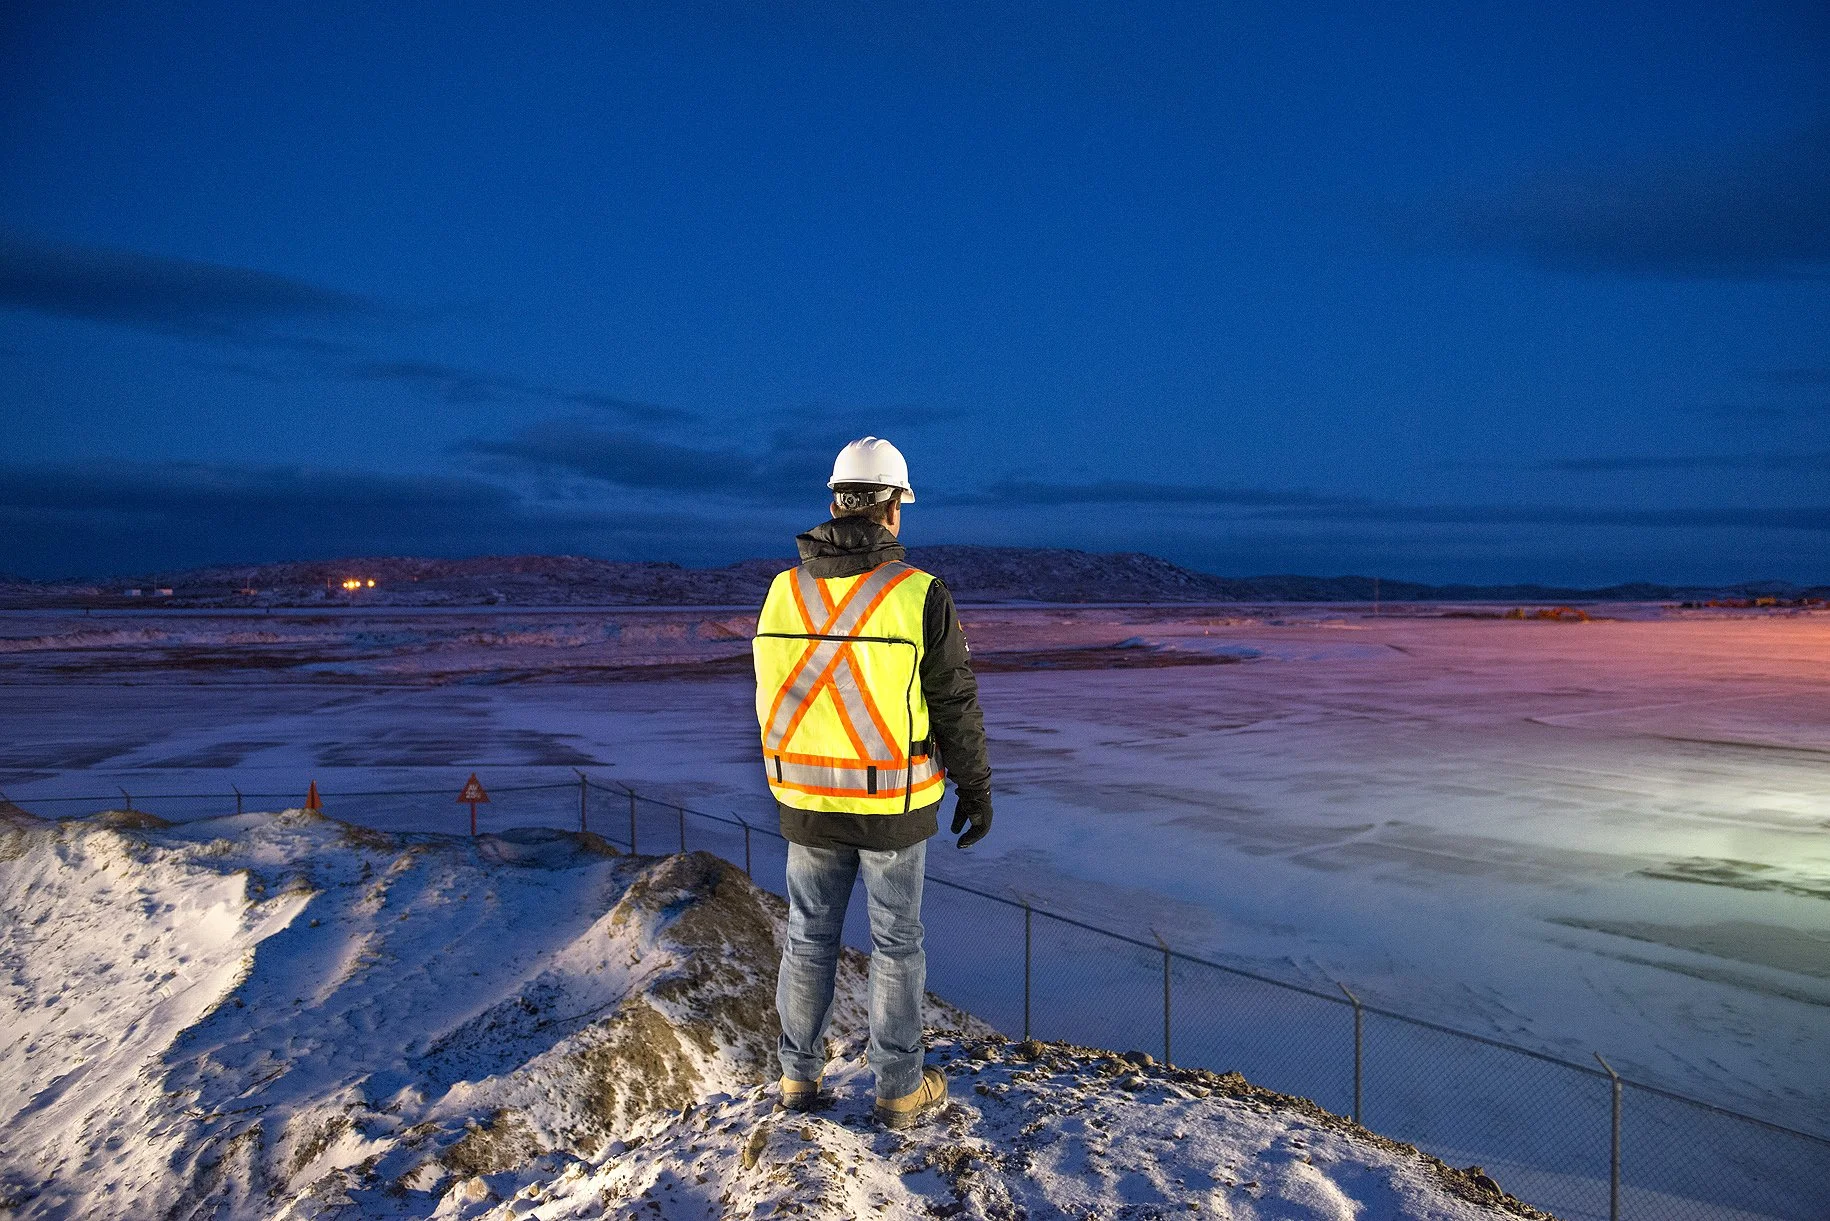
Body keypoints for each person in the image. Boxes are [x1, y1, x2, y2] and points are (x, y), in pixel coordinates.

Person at [752, 436, 994, 1129]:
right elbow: (953, 701)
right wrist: (975, 787)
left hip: (806, 798)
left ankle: (797, 1078)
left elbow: (774, 693)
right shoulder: (918, 594)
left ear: (835, 502)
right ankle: (898, 1089)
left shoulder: (782, 590)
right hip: (892, 803)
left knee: (807, 938)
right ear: (892, 509)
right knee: (896, 945)